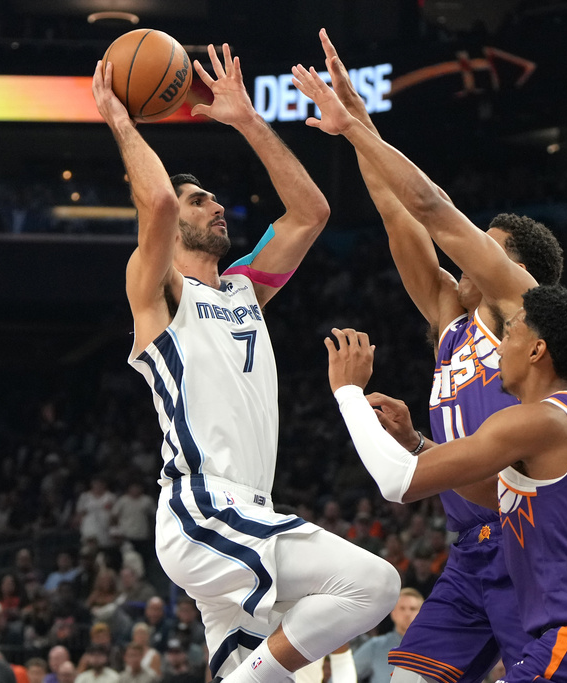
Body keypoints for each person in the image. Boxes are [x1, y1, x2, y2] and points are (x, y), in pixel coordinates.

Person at [89, 41, 399, 683]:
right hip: (205, 509)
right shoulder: (160, 295)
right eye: (201, 201)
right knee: (375, 586)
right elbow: (160, 205)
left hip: (243, 512)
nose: (215, 206)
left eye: (212, 199)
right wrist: (122, 121)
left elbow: (311, 213)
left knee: (262, 670)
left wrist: (247, 120)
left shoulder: (243, 288)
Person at [296, 31, 563, 683]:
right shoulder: (452, 317)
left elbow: (433, 208)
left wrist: (360, 132)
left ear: (512, 264)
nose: (467, 250)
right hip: (469, 558)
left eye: (486, 243)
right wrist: (357, 122)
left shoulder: (520, 306)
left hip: (530, 552)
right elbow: (397, 212)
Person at [322, 285, 567, 683]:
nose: (497, 349)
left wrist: (348, 393)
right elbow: (491, 493)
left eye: (510, 334)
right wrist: (415, 443)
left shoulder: (537, 421)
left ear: (536, 351)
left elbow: (396, 482)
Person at [353, 589, 424, 683]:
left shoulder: (435, 648)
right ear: (393, 613)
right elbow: (342, 675)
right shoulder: (376, 646)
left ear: (423, 613)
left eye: (413, 609)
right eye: (402, 608)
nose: (407, 614)